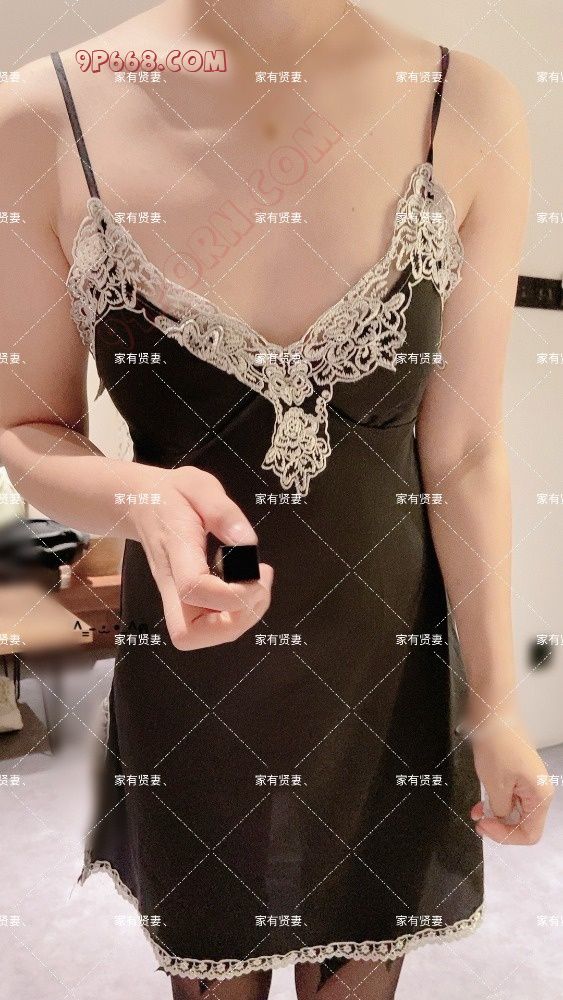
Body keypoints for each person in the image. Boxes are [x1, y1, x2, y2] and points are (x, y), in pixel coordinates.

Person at [0, 2, 554, 998]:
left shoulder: (462, 102)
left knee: (358, 970)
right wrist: (143, 495)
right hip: (196, 664)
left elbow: (465, 451)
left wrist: (495, 706)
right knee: (214, 964)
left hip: (386, 661)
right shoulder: (44, 114)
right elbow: (24, 427)